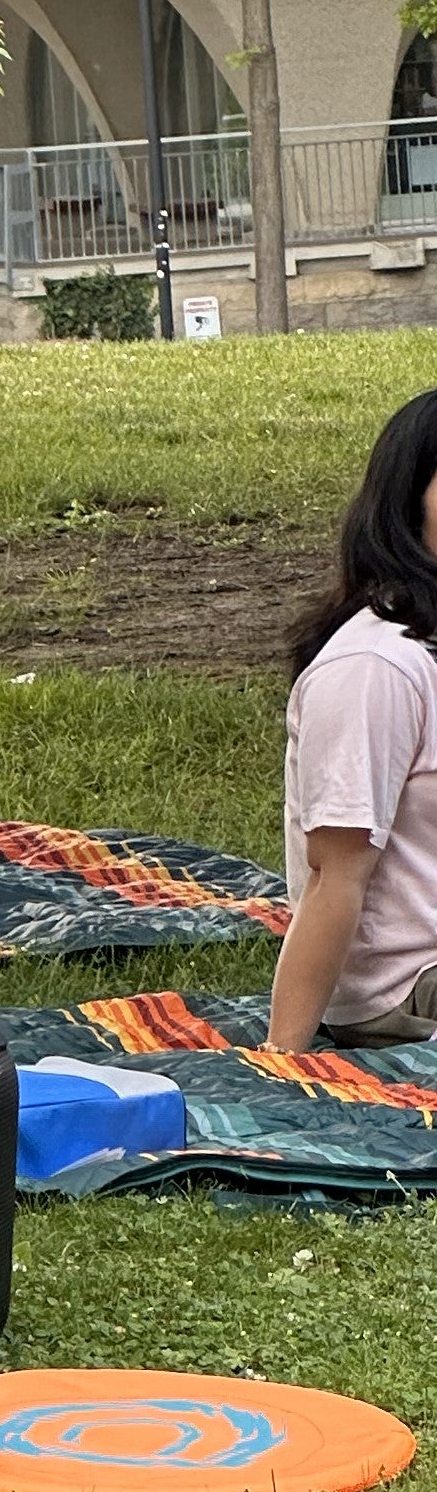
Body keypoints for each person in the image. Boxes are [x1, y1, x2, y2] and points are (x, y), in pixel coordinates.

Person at [270, 389, 437, 1053]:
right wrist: (282, 1063)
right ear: (409, 502)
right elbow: (333, 876)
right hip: (407, 989)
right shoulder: (375, 667)